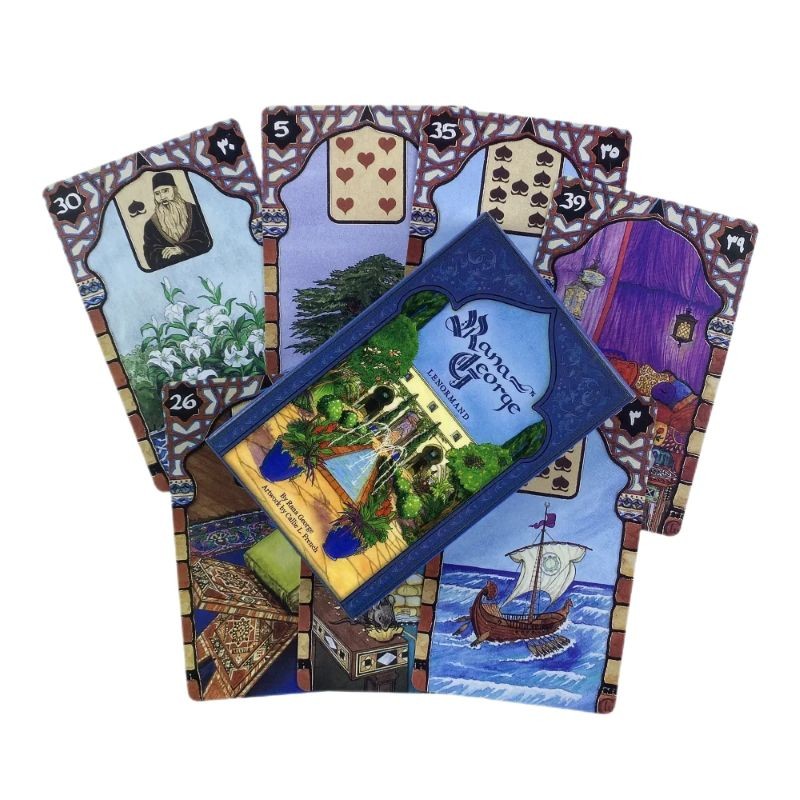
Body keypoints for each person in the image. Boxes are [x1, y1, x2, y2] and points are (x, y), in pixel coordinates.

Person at [142, 172, 211, 268]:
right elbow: (151, 256)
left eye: (165, 191)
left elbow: (205, 239)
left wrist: (181, 249)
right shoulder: (150, 225)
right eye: (157, 194)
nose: (162, 197)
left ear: (175, 190)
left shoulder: (195, 211)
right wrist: (167, 253)